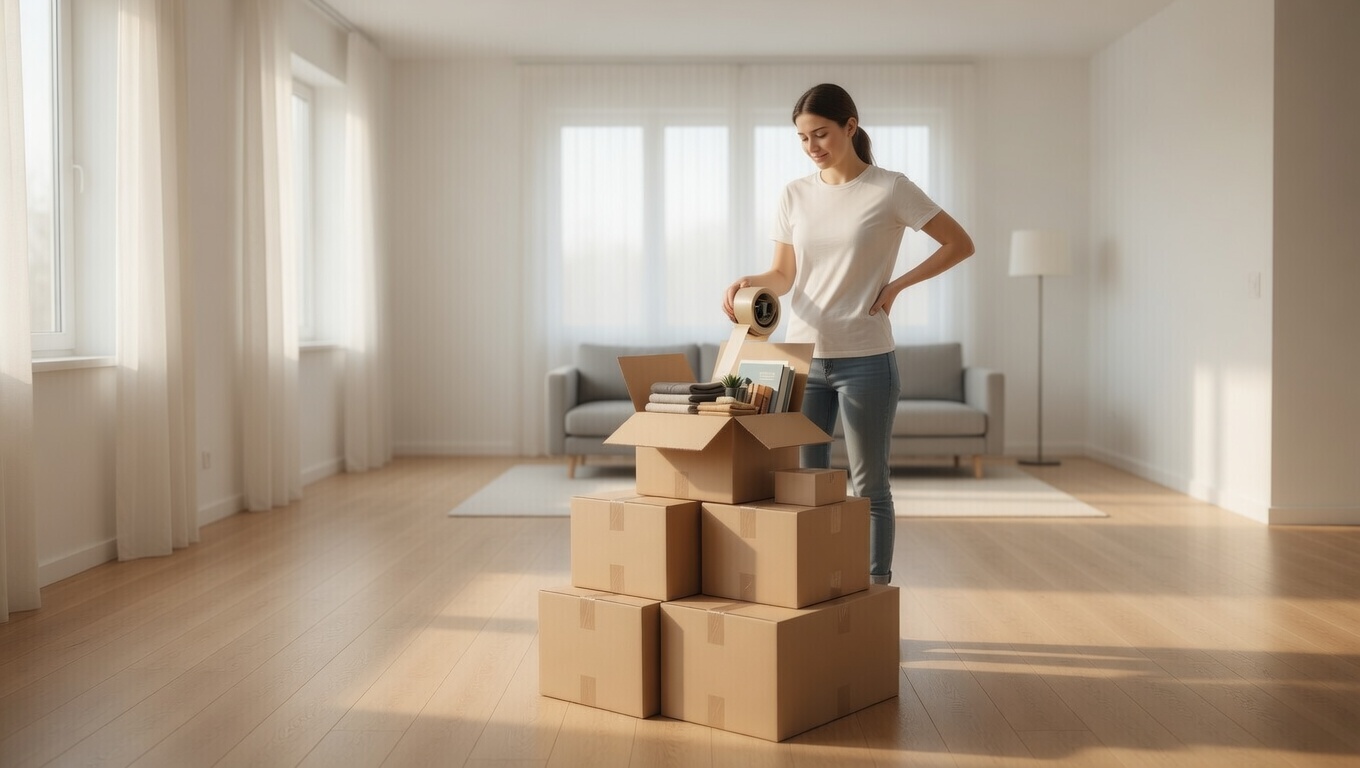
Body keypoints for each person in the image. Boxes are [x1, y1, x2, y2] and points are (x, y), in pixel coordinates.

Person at [723, 83, 974, 585]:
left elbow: (959, 243)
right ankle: (818, 587)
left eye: (821, 133)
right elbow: (784, 275)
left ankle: (873, 595)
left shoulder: (890, 188)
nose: (812, 146)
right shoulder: (794, 194)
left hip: (866, 358)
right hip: (804, 360)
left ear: (850, 127)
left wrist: (899, 284)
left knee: (869, 488)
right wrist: (751, 283)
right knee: (808, 486)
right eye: (802, 138)